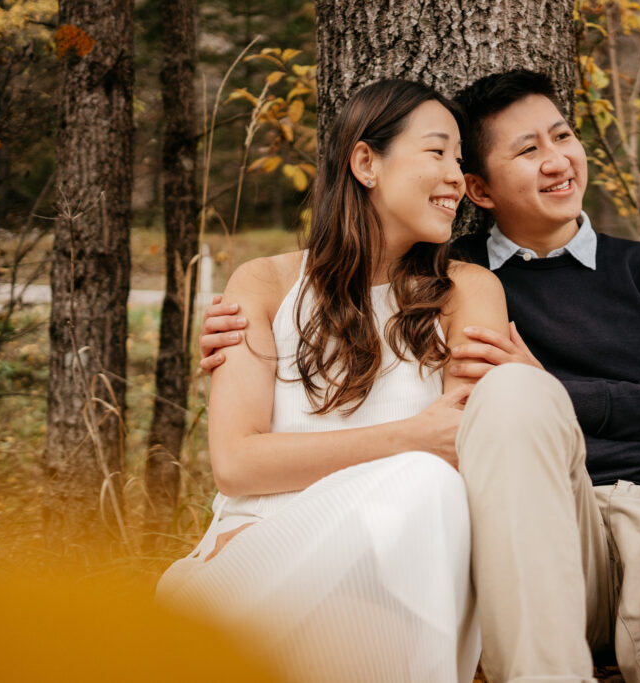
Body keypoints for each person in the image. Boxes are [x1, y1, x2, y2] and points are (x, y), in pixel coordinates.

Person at [200, 71, 640, 683]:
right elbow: (431, 432)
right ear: (480, 190)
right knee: (507, 398)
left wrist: (555, 394)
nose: (557, 160)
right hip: (538, 523)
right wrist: (239, 346)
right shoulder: (444, 277)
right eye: (528, 150)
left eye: (563, 137)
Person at [158, 79, 508, 683]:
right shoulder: (265, 285)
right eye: (437, 152)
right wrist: (409, 438)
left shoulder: (467, 291)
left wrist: (425, 445)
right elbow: (237, 465)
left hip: (393, 594)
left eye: (460, 158)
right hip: (258, 570)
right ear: (366, 161)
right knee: (425, 478)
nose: (457, 176)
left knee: (432, 489)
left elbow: (460, 445)